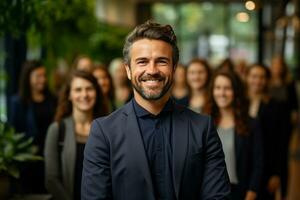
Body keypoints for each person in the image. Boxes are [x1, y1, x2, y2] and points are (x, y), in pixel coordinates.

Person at [82, 21, 230, 200]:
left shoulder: (202, 128)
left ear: (174, 68)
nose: (152, 70)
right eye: (142, 62)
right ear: (128, 70)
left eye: (161, 61)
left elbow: (217, 197)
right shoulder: (104, 132)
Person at [44, 70, 107, 200]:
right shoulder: (57, 129)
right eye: (78, 90)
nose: (84, 95)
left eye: (89, 89)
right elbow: (51, 179)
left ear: (96, 92)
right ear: (69, 95)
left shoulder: (108, 129)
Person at [204, 69, 263, 200]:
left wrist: (252, 191)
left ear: (236, 91)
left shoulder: (251, 124)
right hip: (210, 190)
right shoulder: (204, 123)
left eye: (227, 88)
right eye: (218, 88)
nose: (222, 93)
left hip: (240, 192)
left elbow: (258, 162)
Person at [9, 60, 57, 194]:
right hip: (29, 161)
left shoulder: (53, 99)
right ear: (28, 77)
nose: (42, 80)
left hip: (50, 156)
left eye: (44, 75)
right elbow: (14, 133)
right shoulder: (17, 103)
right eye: (38, 76)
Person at [246, 64, 283, 200]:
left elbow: (281, 142)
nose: (257, 80)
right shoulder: (240, 103)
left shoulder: (276, 106)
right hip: (243, 166)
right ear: (247, 78)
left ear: (267, 80)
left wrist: (277, 174)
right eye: (254, 76)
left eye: (262, 77)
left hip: (267, 168)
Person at [269, 55, 298, 198]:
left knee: (283, 157)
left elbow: (294, 107)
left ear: (283, 67)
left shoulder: (289, 83)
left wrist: (293, 119)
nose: (277, 68)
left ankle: (284, 193)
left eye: (279, 65)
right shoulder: (268, 83)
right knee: (272, 155)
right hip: (270, 124)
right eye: (275, 65)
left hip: (285, 125)